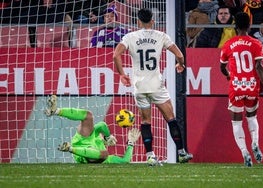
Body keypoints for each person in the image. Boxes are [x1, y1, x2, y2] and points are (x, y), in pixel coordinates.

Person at [113, 8, 193, 165]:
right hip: (156, 85)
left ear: (138, 22)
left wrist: (122, 74)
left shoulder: (130, 37)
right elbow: (179, 55)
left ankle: (150, 155)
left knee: (146, 121)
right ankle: (182, 152)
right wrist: (181, 64)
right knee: (171, 119)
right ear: (153, 21)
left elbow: (116, 55)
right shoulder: (161, 36)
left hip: (139, 86)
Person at [220, 12, 263, 167]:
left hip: (236, 86)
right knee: (252, 118)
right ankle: (255, 143)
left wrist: (228, 75)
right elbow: (259, 66)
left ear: (235, 26)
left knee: (236, 123)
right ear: (249, 26)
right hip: (252, 86)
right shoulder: (257, 44)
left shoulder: (228, 44)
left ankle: (245, 152)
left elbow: (222, 67)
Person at [45, 95, 141, 164]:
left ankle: (69, 148)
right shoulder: (94, 134)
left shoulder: (108, 159)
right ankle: (56, 111)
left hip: (82, 154)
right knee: (88, 116)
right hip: (82, 140)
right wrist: (108, 137)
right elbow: (102, 125)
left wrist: (131, 142)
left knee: (104, 154)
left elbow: (125, 161)